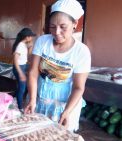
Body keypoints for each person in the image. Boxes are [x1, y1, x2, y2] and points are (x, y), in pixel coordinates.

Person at [25, 0, 91, 132]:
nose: (57, 32)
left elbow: (78, 87)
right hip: (38, 96)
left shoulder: (81, 51)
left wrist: (67, 112)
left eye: (63, 27)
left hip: (64, 104)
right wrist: (32, 99)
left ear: (74, 24)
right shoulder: (43, 41)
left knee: (57, 138)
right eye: (53, 26)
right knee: (35, 134)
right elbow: (33, 72)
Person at [12, 28, 36, 110]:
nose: (32, 38)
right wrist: (21, 73)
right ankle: (20, 108)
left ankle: (15, 100)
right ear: (27, 37)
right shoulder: (20, 46)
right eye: (31, 36)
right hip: (19, 68)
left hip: (23, 66)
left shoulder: (23, 45)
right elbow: (15, 59)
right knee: (22, 89)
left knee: (23, 87)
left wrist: (30, 48)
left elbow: (28, 57)